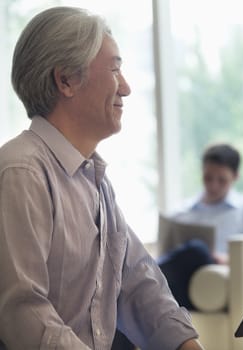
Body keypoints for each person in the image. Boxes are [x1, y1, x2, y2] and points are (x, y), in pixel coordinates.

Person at [0, 7, 203, 350]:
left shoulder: (96, 182)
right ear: (65, 80)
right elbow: (23, 313)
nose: (126, 87)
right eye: (115, 69)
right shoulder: (22, 172)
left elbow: (140, 286)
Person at [157, 143, 243, 309]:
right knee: (192, 252)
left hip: (219, 283)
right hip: (179, 284)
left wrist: (229, 260)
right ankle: (144, 278)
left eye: (222, 180)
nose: (213, 185)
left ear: (235, 177)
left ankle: (144, 275)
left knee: (198, 250)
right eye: (208, 178)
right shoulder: (181, 212)